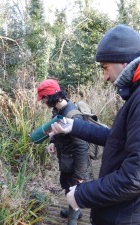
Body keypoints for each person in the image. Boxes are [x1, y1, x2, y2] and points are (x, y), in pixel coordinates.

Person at [50, 24, 140, 225]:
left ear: (123, 62)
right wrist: (75, 126)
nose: (105, 77)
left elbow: (138, 176)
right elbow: (120, 139)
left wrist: (82, 194)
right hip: (134, 212)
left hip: (132, 216)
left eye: (105, 67)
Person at [37, 79, 92, 225]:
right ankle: (74, 211)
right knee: (66, 185)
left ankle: (72, 220)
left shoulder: (73, 116)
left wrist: (80, 175)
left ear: (50, 96)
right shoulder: (58, 109)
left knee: (74, 190)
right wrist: (52, 142)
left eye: (43, 98)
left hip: (76, 161)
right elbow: (55, 128)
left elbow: (82, 147)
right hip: (65, 159)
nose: (43, 102)